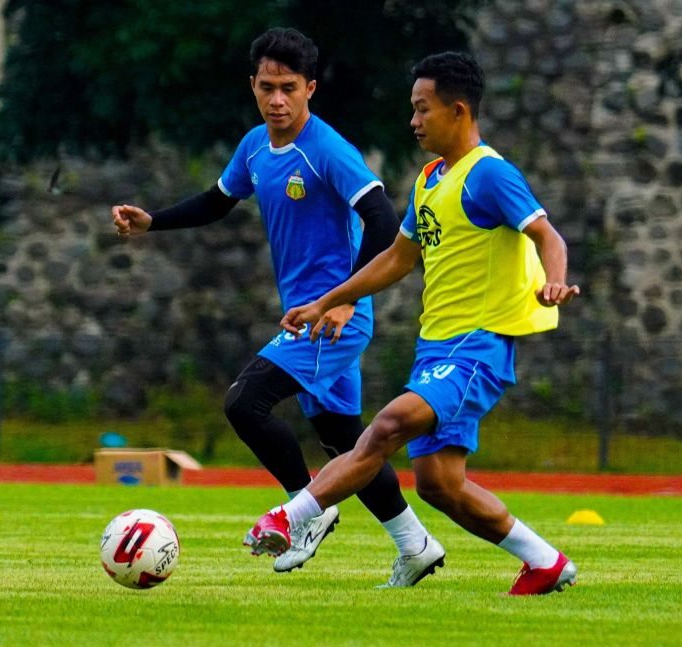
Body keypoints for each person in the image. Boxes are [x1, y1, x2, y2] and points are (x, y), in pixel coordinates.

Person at [112, 28, 444, 587]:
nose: (277, 100)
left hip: (334, 319)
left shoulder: (329, 150)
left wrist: (344, 301)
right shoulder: (255, 146)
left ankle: (305, 510)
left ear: (310, 88)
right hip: (307, 316)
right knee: (347, 443)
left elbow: (385, 224)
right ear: (253, 86)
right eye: (267, 87)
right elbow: (219, 201)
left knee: (245, 402)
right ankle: (416, 545)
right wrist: (155, 221)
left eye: (289, 88)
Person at [246, 52, 581, 596]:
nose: (414, 120)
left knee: (386, 426)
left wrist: (554, 282)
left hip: (478, 346)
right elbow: (396, 260)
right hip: (437, 348)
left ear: (457, 110)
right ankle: (545, 561)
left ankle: (292, 516)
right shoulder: (430, 179)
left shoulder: (490, 173)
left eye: (422, 110)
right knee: (440, 485)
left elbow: (549, 237)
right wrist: (326, 302)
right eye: (412, 109)